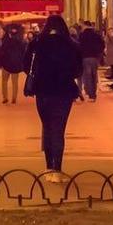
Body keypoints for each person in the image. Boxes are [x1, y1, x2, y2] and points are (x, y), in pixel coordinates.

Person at [24, 15, 82, 180]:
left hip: (43, 90)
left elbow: (26, 65)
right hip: (64, 91)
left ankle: (49, 167)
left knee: (47, 127)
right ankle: (58, 168)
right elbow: (78, 70)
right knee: (59, 129)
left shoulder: (37, 43)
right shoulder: (72, 45)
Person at [0, 24, 26, 104]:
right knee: (14, 82)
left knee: (4, 81)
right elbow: (23, 52)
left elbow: (2, 52)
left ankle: (5, 97)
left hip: (6, 64)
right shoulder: (20, 41)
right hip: (16, 65)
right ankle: (14, 98)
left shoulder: (6, 41)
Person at [77, 21, 105, 101]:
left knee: (87, 76)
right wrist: (98, 53)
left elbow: (79, 46)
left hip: (85, 57)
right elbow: (102, 45)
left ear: (85, 26)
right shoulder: (96, 35)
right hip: (94, 58)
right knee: (94, 75)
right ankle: (93, 94)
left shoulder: (82, 35)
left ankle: (89, 93)